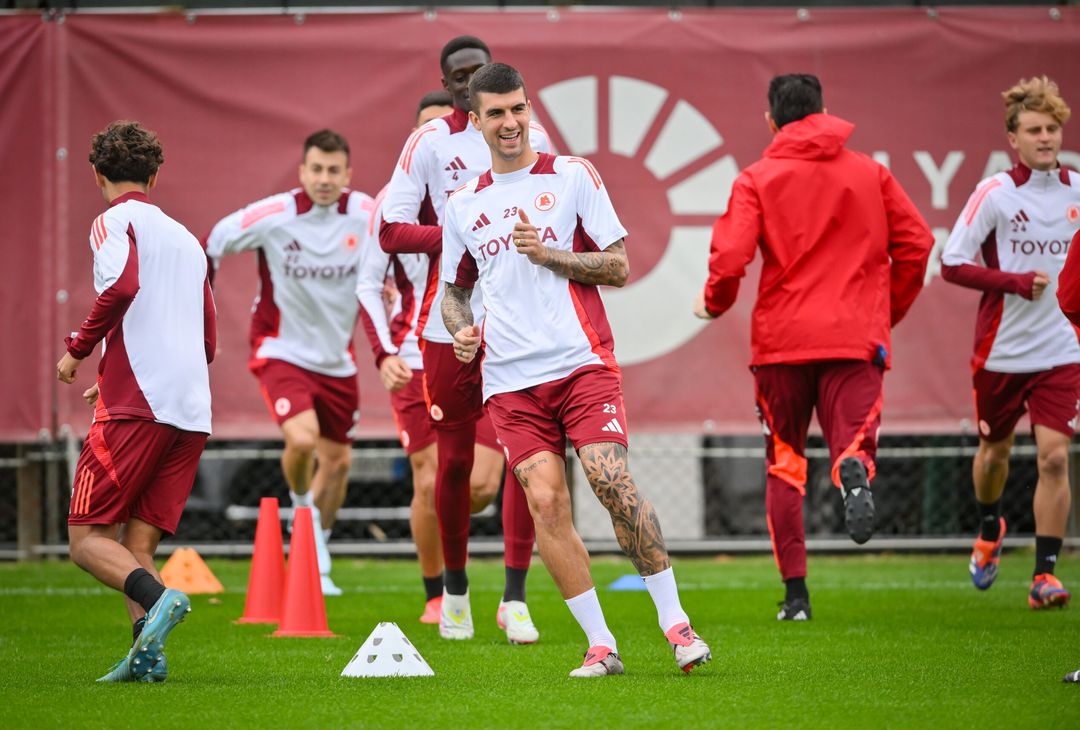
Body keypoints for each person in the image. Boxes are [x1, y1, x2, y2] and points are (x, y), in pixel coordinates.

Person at [441, 62, 711, 677]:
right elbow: (454, 290)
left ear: (529, 110)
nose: (510, 122)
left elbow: (618, 266)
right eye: (496, 113)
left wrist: (550, 255)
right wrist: (461, 329)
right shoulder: (463, 203)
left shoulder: (572, 176)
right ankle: (601, 645)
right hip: (509, 381)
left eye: (518, 108)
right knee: (545, 501)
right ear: (476, 122)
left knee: (609, 479)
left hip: (581, 364)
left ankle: (677, 626)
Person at [693, 74, 933, 620]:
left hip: (782, 344)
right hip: (853, 338)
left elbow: (730, 260)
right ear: (824, 112)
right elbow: (918, 246)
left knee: (785, 464)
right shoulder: (871, 173)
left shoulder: (757, 178)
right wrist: (884, 314)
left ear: (771, 121)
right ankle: (852, 470)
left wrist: (714, 303)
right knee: (853, 445)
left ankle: (796, 597)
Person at [380, 36, 549, 642]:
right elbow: (390, 230)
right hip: (445, 324)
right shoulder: (429, 141)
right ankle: (454, 592)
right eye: (459, 76)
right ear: (448, 84)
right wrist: (460, 236)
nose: (469, 82)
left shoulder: (533, 136)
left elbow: (557, 217)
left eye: (479, 71)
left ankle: (515, 598)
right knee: (451, 465)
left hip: (519, 325)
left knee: (527, 461)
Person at [59, 120, 214, 682]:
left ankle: (159, 598)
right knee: (137, 542)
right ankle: (147, 660)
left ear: (96, 174)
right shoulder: (187, 239)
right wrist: (113, 373)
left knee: (85, 539)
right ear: (155, 175)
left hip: (139, 405)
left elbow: (122, 287)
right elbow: (208, 339)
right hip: (191, 409)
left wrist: (78, 350)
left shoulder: (111, 221)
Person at [206, 130, 374, 597]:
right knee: (301, 440)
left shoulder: (367, 214)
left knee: (338, 464)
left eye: (334, 170)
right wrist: (202, 317)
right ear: (302, 171)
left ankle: (314, 556)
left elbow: (401, 253)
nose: (324, 179)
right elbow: (214, 241)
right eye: (316, 169)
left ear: (347, 174)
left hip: (337, 360)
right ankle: (302, 508)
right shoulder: (276, 215)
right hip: (281, 351)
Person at [941, 76, 1078, 609]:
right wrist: (1014, 282)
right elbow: (952, 263)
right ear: (1013, 138)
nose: (1045, 138)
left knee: (1054, 459)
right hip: (1001, 351)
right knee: (995, 454)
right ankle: (989, 526)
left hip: (1064, 349)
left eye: (1052, 129)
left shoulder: (1077, 189)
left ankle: (1044, 576)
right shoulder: (995, 193)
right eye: (1034, 130)